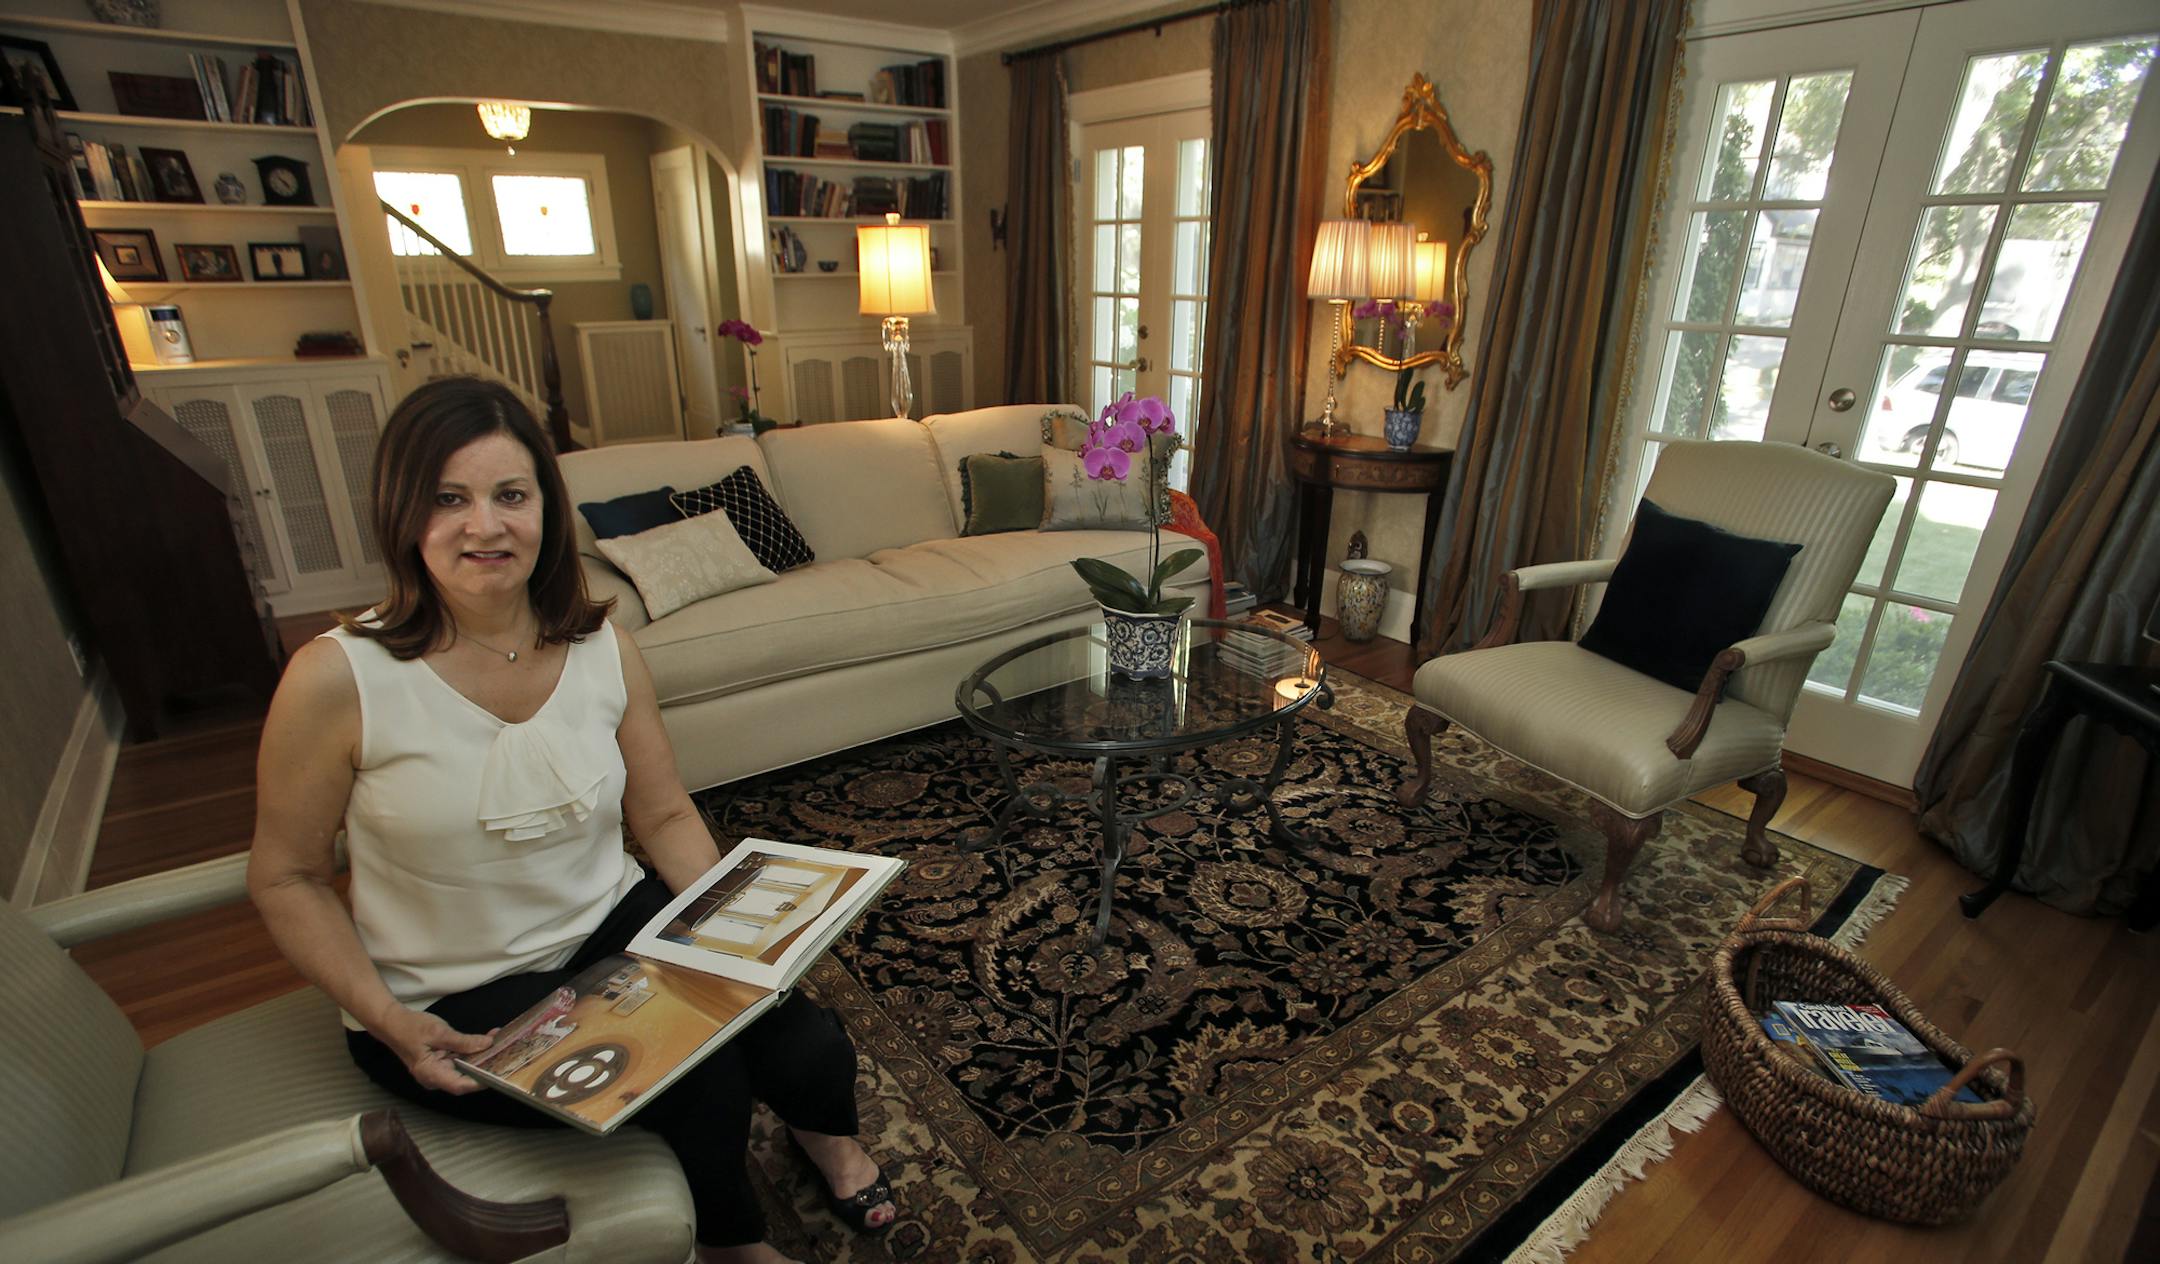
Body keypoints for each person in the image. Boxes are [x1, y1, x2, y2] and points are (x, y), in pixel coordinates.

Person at [248, 376, 895, 1264]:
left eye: (511, 495)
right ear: (403, 512)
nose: (486, 526)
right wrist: (391, 1024)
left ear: (546, 510)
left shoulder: (601, 643)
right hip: (450, 993)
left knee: (796, 1028)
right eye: (450, 498)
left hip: (609, 923)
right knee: (695, 1072)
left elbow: (662, 810)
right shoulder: (336, 678)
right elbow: (284, 876)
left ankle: (830, 1143)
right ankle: (732, 1245)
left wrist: (734, 937)